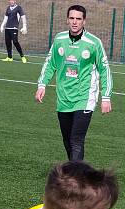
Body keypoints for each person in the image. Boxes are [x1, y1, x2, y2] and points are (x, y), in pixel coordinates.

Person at [36, 5, 112, 161]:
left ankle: (75, 179)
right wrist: (42, 85)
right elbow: (50, 63)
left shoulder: (93, 43)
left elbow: (105, 70)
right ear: (67, 20)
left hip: (84, 98)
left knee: (76, 140)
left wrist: (106, 97)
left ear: (84, 21)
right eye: (72, 18)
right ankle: (79, 173)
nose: (75, 22)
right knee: (67, 141)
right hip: (63, 98)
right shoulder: (59, 39)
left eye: (78, 19)